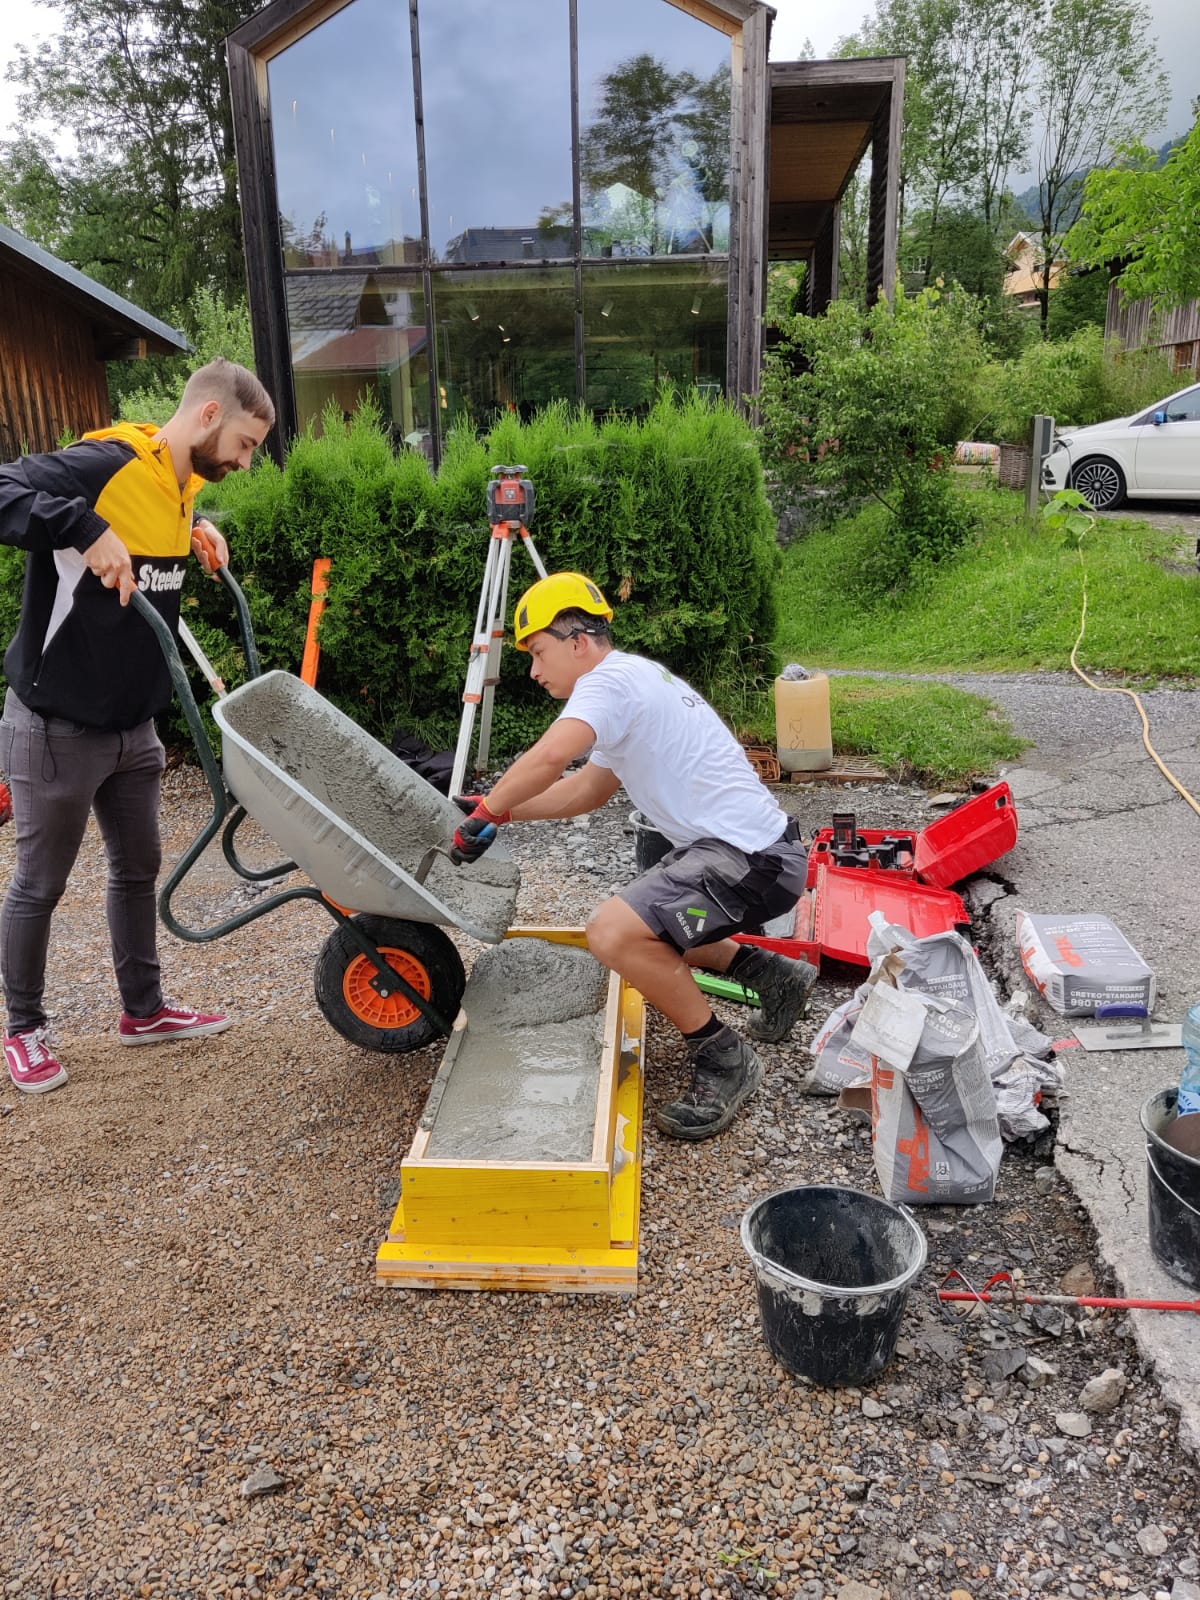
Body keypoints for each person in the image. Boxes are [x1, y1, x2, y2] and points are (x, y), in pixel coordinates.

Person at [449, 571, 818, 1141]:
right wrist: (503, 813)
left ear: (578, 642)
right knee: (647, 922)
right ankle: (775, 976)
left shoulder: (608, 683)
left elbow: (549, 758)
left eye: (539, 652)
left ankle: (725, 1057)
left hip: (751, 860)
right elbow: (586, 791)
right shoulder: (631, 681)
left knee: (614, 933)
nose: (534, 671)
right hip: (753, 854)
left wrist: (489, 810)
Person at [0, 358, 275, 1095]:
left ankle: (144, 1010)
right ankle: (23, 1029)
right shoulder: (103, 465)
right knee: (40, 884)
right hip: (55, 725)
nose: (245, 462)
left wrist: (197, 529)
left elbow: (148, 533)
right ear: (210, 415)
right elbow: (6, 488)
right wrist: (81, 526)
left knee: (137, 868)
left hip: (133, 726)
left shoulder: (179, 486)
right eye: (245, 444)